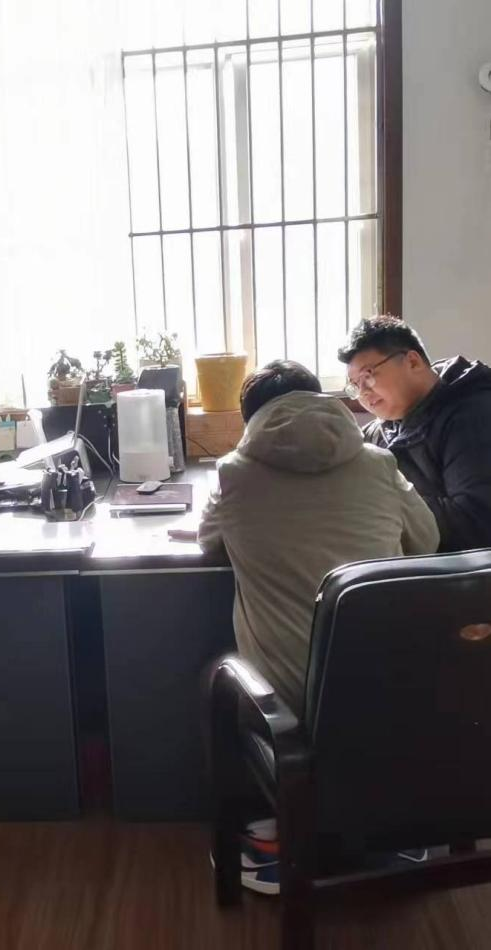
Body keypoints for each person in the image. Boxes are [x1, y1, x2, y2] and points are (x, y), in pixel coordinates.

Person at [196, 360, 438, 894]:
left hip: (286, 714)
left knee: (223, 672)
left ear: (252, 420)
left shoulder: (233, 474)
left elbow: (207, 543)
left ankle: (280, 828)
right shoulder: (379, 463)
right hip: (389, 700)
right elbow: (426, 541)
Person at [338, 315, 491, 552]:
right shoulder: (381, 429)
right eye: (355, 385)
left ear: (412, 362)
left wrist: (379, 507)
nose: (363, 393)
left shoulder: (473, 413)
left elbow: (475, 521)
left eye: (368, 375)